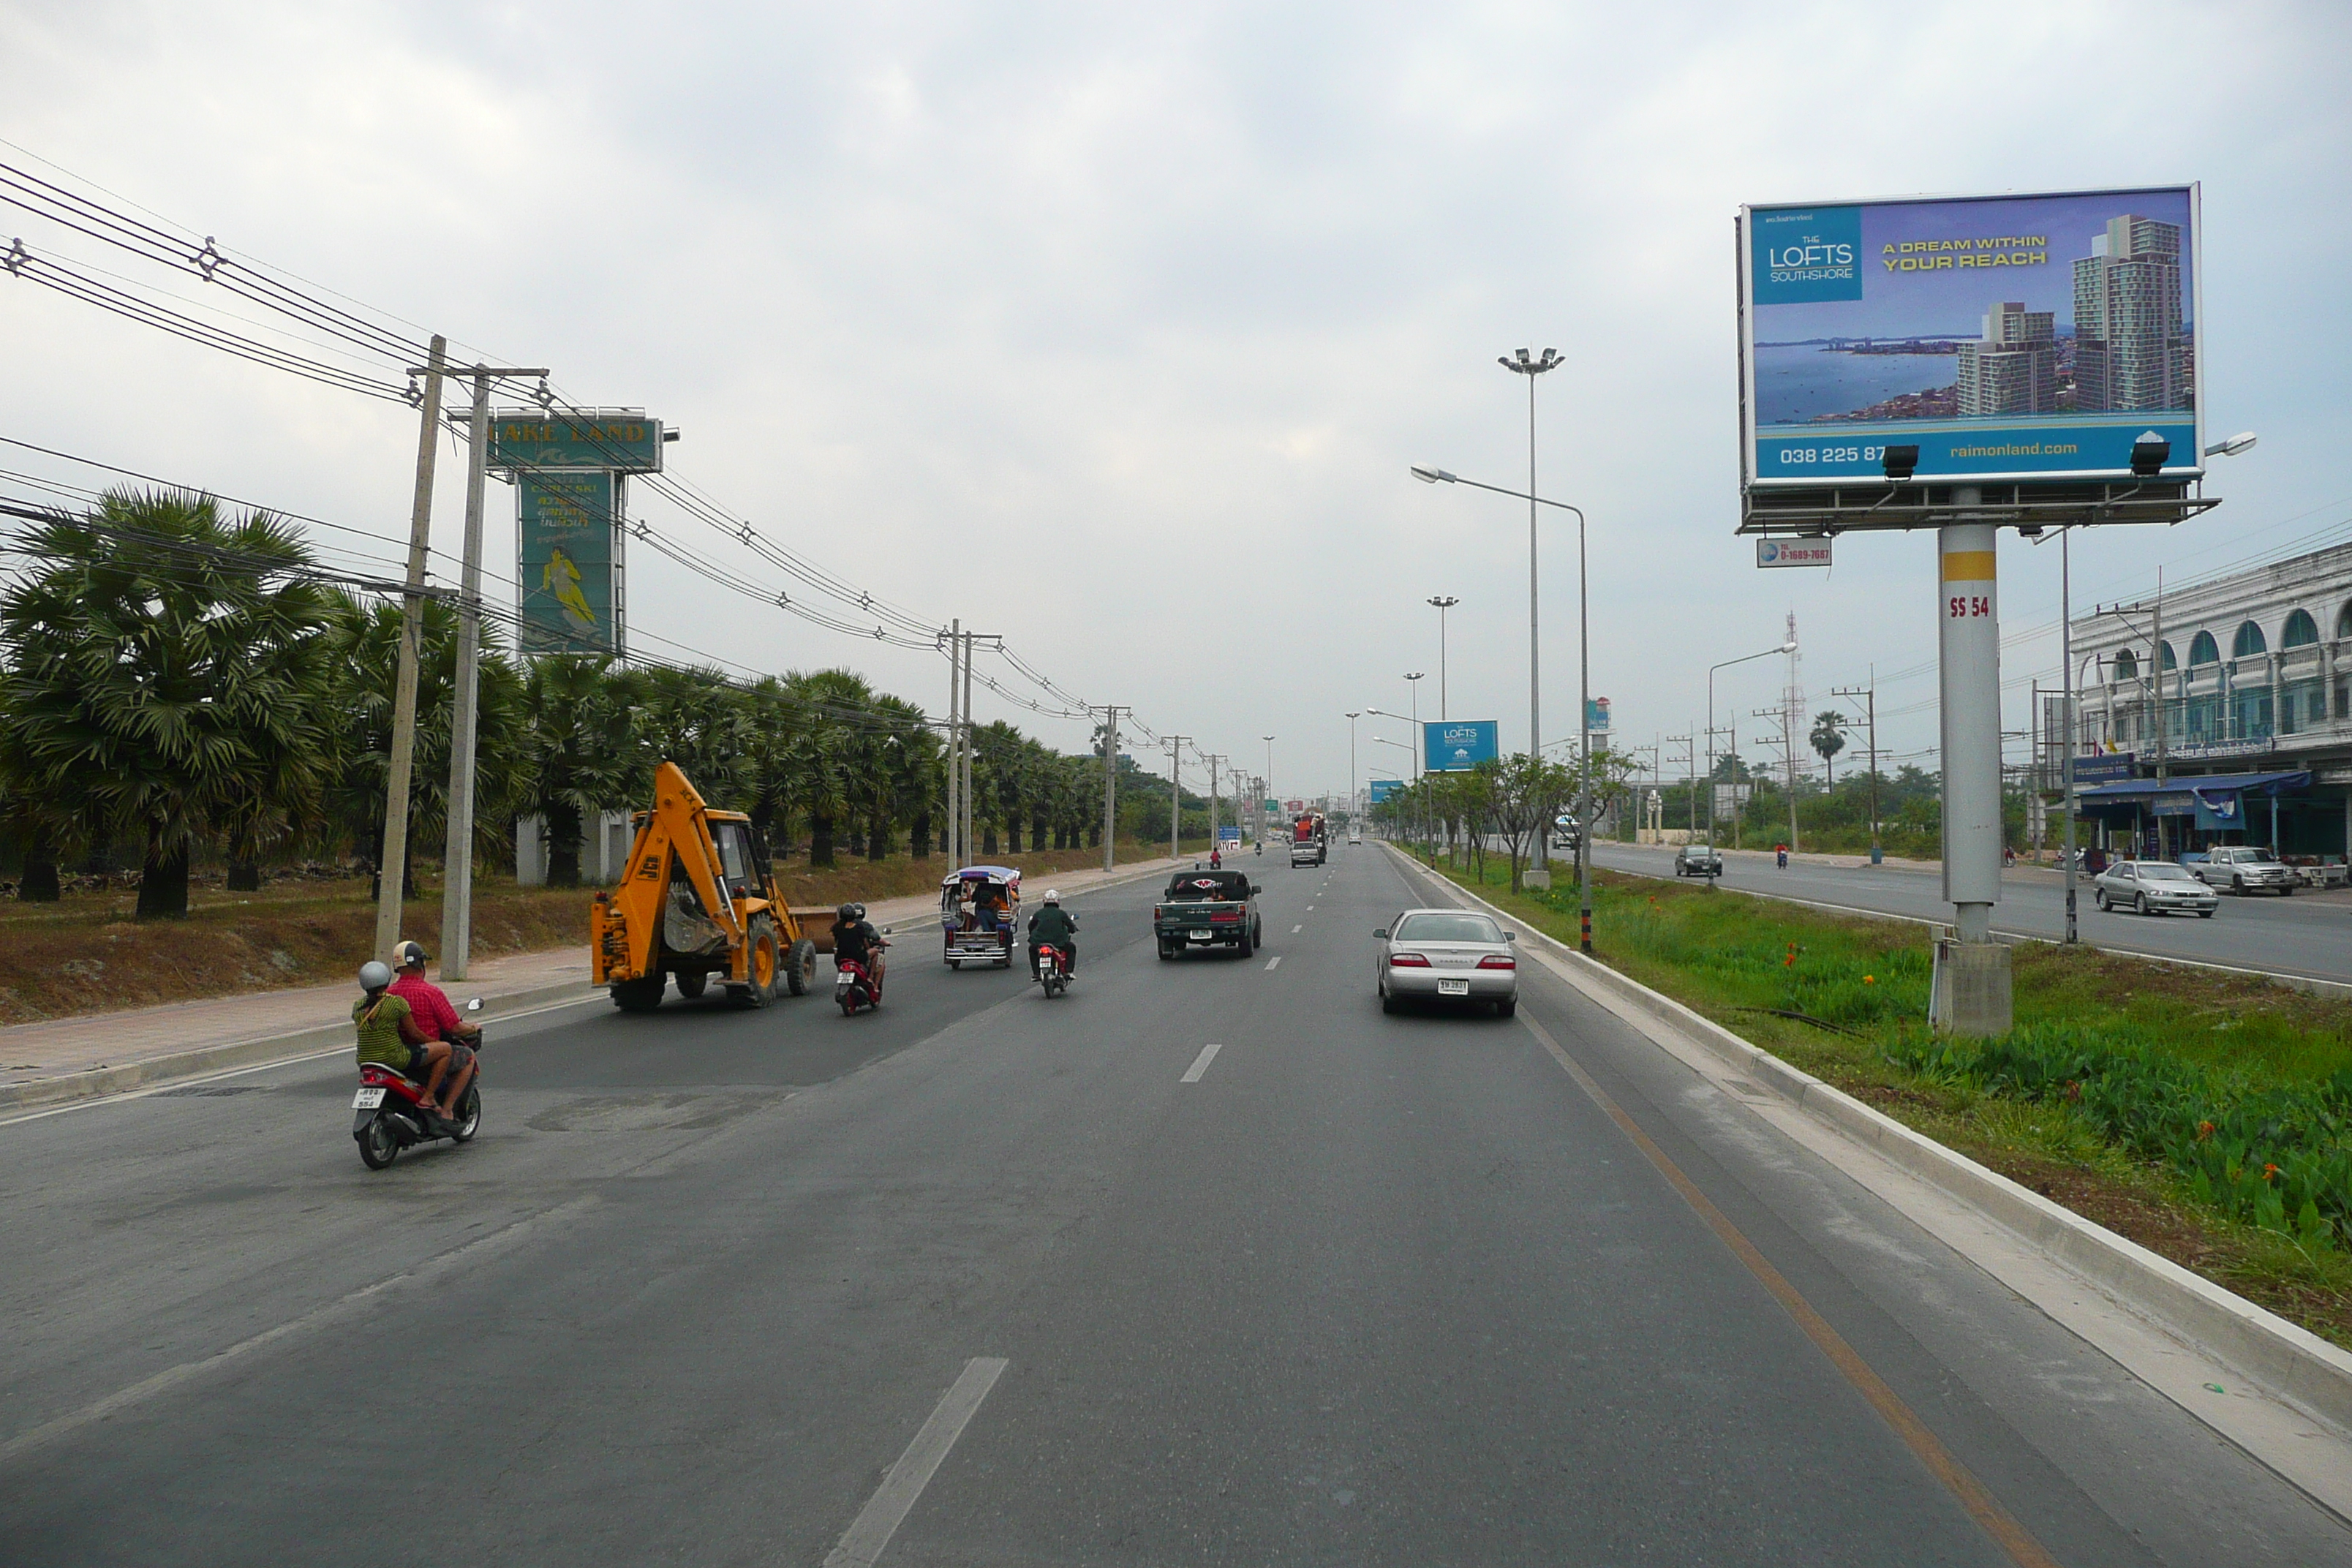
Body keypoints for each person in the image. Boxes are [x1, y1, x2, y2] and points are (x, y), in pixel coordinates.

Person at [388, 941, 479, 1117]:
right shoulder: (430, 992)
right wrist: (473, 1028)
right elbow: (454, 1027)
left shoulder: (389, 993)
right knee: (468, 1056)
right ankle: (446, 1109)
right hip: (424, 1056)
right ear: (419, 964)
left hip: (397, 1054)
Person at [353, 960, 452, 1116]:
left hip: (365, 1060)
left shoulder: (357, 1006)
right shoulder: (396, 1003)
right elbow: (415, 1034)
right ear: (386, 980)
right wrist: (436, 1043)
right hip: (395, 1058)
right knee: (446, 1049)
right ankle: (429, 1097)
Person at [832, 902, 887, 993]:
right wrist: (868, 948)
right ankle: (870, 978)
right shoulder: (860, 927)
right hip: (857, 957)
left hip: (841, 957)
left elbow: (836, 943)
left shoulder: (837, 928)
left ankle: (842, 975)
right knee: (876, 952)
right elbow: (866, 942)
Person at [1028, 889, 1078, 980]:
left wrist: (1033, 936)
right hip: (1058, 942)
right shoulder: (1061, 913)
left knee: (1032, 950)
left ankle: (1036, 973)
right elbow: (1070, 926)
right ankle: (1068, 971)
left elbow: (1031, 926)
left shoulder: (1039, 913)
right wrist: (1073, 930)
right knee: (1071, 948)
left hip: (1039, 942)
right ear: (1058, 901)